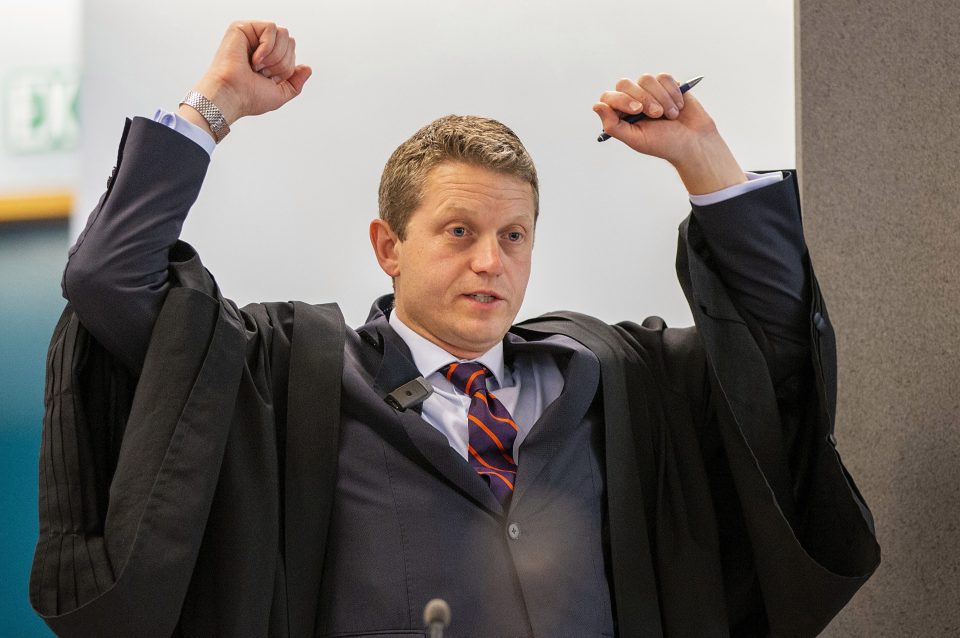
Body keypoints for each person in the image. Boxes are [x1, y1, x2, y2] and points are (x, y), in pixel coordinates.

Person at [30, 20, 879, 638]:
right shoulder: (293, 379)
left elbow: (773, 356)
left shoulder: (616, 380)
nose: (491, 263)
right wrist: (216, 104)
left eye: (514, 237)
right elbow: (109, 278)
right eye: (460, 232)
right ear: (388, 247)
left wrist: (704, 159)